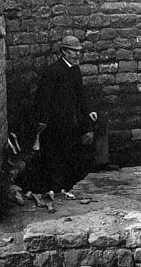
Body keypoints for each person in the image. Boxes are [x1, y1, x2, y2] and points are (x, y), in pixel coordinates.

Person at [35, 35, 97, 199]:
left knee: (69, 154)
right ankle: (56, 188)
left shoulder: (74, 69)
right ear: (63, 51)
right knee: (55, 155)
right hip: (55, 123)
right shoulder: (53, 71)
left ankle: (66, 187)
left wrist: (88, 110)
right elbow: (44, 98)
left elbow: (80, 93)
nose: (77, 55)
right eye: (74, 51)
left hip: (70, 121)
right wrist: (44, 121)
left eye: (78, 51)